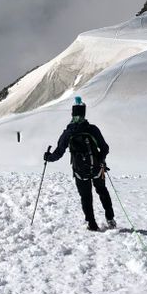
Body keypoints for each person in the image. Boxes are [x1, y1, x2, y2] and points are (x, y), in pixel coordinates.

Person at [44, 96, 116, 232]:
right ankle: (110, 219)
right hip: (96, 168)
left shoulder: (68, 133)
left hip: (79, 171)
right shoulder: (93, 129)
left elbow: (58, 153)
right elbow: (105, 148)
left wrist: (48, 157)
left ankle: (92, 224)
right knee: (102, 191)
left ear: (72, 113)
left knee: (86, 196)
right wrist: (100, 160)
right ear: (84, 113)